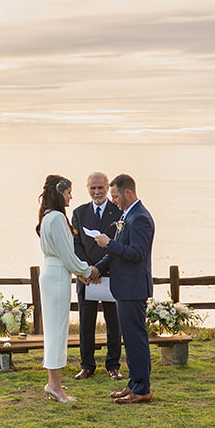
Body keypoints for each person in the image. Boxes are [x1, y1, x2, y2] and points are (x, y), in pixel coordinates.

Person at [93, 173, 155, 404]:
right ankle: (134, 383)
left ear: (128, 193)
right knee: (129, 339)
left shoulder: (140, 218)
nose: (114, 201)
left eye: (116, 196)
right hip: (125, 288)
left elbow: (137, 254)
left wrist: (110, 242)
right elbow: (116, 253)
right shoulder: (127, 215)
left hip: (134, 288)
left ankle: (142, 389)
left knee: (136, 338)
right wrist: (97, 269)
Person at [37, 175, 93, 403]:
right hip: (58, 276)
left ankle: (53, 383)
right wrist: (86, 271)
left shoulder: (47, 216)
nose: (71, 196)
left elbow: (63, 255)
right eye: (69, 192)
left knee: (53, 330)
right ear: (60, 193)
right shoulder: (58, 218)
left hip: (52, 273)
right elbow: (67, 255)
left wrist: (78, 270)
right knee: (57, 332)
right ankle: (56, 387)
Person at [71, 171, 122, 382]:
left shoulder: (118, 212)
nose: (97, 192)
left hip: (111, 276)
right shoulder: (79, 212)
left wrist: (99, 269)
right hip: (86, 278)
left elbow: (118, 245)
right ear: (88, 188)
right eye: (93, 188)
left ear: (107, 187)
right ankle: (87, 366)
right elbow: (76, 245)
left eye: (101, 187)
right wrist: (86, 270)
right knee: (86, 323)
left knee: (114, 323)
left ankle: (113, 366)